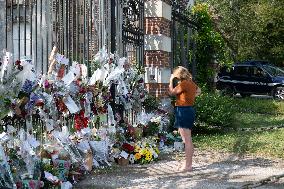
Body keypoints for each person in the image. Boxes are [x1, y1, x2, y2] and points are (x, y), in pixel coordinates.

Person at [168, 66, 201, 172]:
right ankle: (188, 163)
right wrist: (190, 96)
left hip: (183, 111)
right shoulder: (191, 83)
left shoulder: (183, 84)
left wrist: (170, 80)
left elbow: (171, 92)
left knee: (187, 140)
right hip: (189, 110)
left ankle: (188, 166)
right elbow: (199, 91)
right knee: (188, 139)